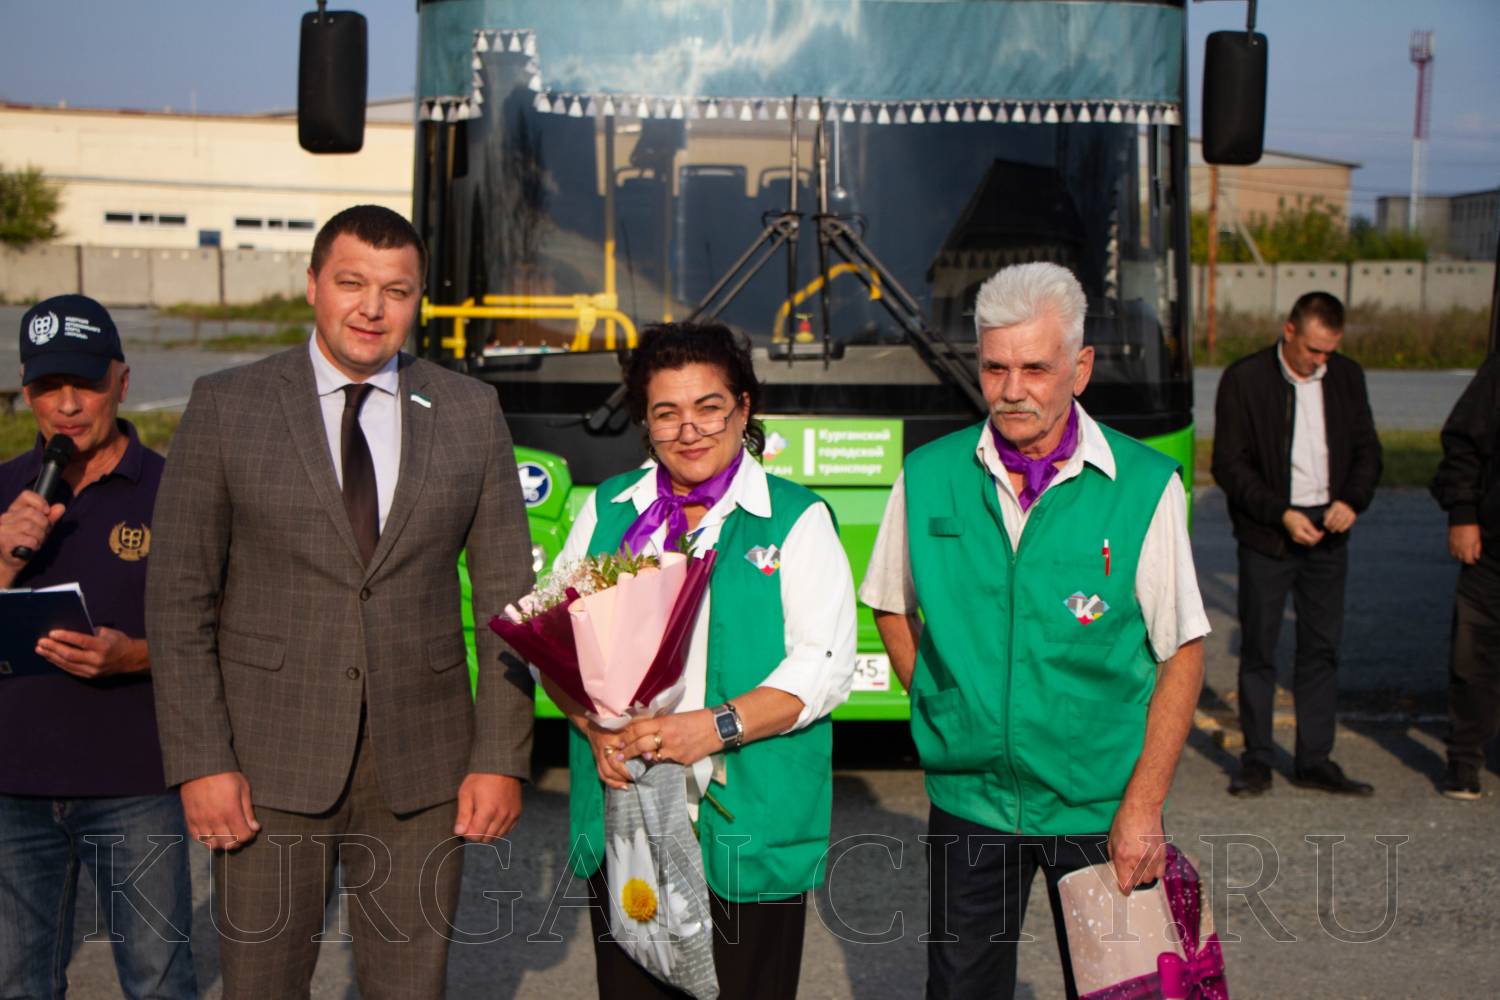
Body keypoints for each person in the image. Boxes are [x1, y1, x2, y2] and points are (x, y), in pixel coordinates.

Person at [144, 205, 535, 998]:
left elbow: (509, 600)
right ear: (313, 284)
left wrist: (500, 756)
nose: (372, 308)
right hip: (266, 762)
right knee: (260, 985)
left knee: (409, 988)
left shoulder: (470, 410)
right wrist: (202, 762)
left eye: (397, 290)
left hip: (423, 766)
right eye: (352, 283)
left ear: (418, 299)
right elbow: (179, 600)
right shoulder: (227, 405)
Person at [861, 262, 1208, 1000]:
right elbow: (890, 603)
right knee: (961, 993)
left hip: (1102, 803)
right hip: (973, 801)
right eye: (995, 367)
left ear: (1079, 369)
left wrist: (1143, 805)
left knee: (1125, 993)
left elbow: (1181, 653)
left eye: (1035, 369)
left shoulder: (1146, 486)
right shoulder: (928, 475)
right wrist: (942, 702)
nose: (1012, 389)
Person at [545, 322, 856, 999]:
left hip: (747, 821)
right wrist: (591, 729)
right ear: (645, 422)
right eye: (666, 413)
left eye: (708, 407)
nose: (689, 430)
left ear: (743, 409)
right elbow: (558, 647)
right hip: (629, 817)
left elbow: (824, 666)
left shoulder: (797, 519)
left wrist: (710, 728)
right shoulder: (608, 511)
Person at [0, 295, 197, 999]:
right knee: (19, 985)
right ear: (25, 392)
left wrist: (133, 656)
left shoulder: (176, 491)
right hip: (13, 788)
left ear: (122, 380)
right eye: (48, 387)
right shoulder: (3, 491)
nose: (67, 406)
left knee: (159, 983)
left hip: (135, 783)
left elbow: (221, 629)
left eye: (84, 384)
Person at [1212, 291, 1382, 797]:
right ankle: (1257, 761)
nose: (1320, 360)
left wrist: (1352, 500)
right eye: (1313, 350)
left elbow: (1368, 451)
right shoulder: (1245, 379)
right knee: (1259, 649)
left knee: (1321, 649)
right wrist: (1280, 514)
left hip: (1330, 530)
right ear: (1289, 331)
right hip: (1268, 533)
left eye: (1329, 351)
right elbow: (1229, 464)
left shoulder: (1346, 377)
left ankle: (1314, 760)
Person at [1429, 353, 1500, 800]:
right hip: (1492, 545)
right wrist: (1463, 513)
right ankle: (1464, 760)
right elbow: (1463, 441)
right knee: (1474, 657)